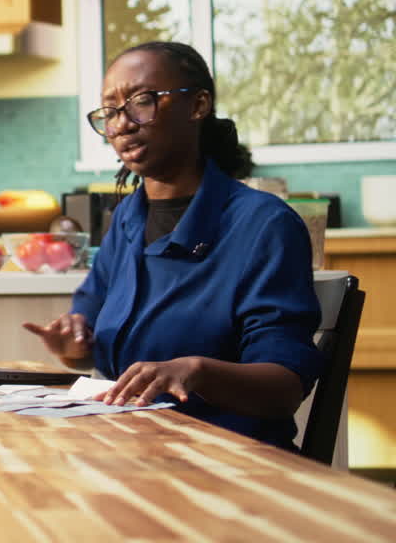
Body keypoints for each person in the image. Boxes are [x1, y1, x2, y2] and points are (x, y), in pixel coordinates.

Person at [23, 41, 322, 450]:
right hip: (130, 453)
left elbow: (285, 388)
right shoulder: (127, 219)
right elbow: (87, 341)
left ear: (198, 105)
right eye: (110, 111)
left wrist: (197, 371)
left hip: (233, 465)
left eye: (141, 101)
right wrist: (72, 343)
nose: (122, 124)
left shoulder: (264, 225)